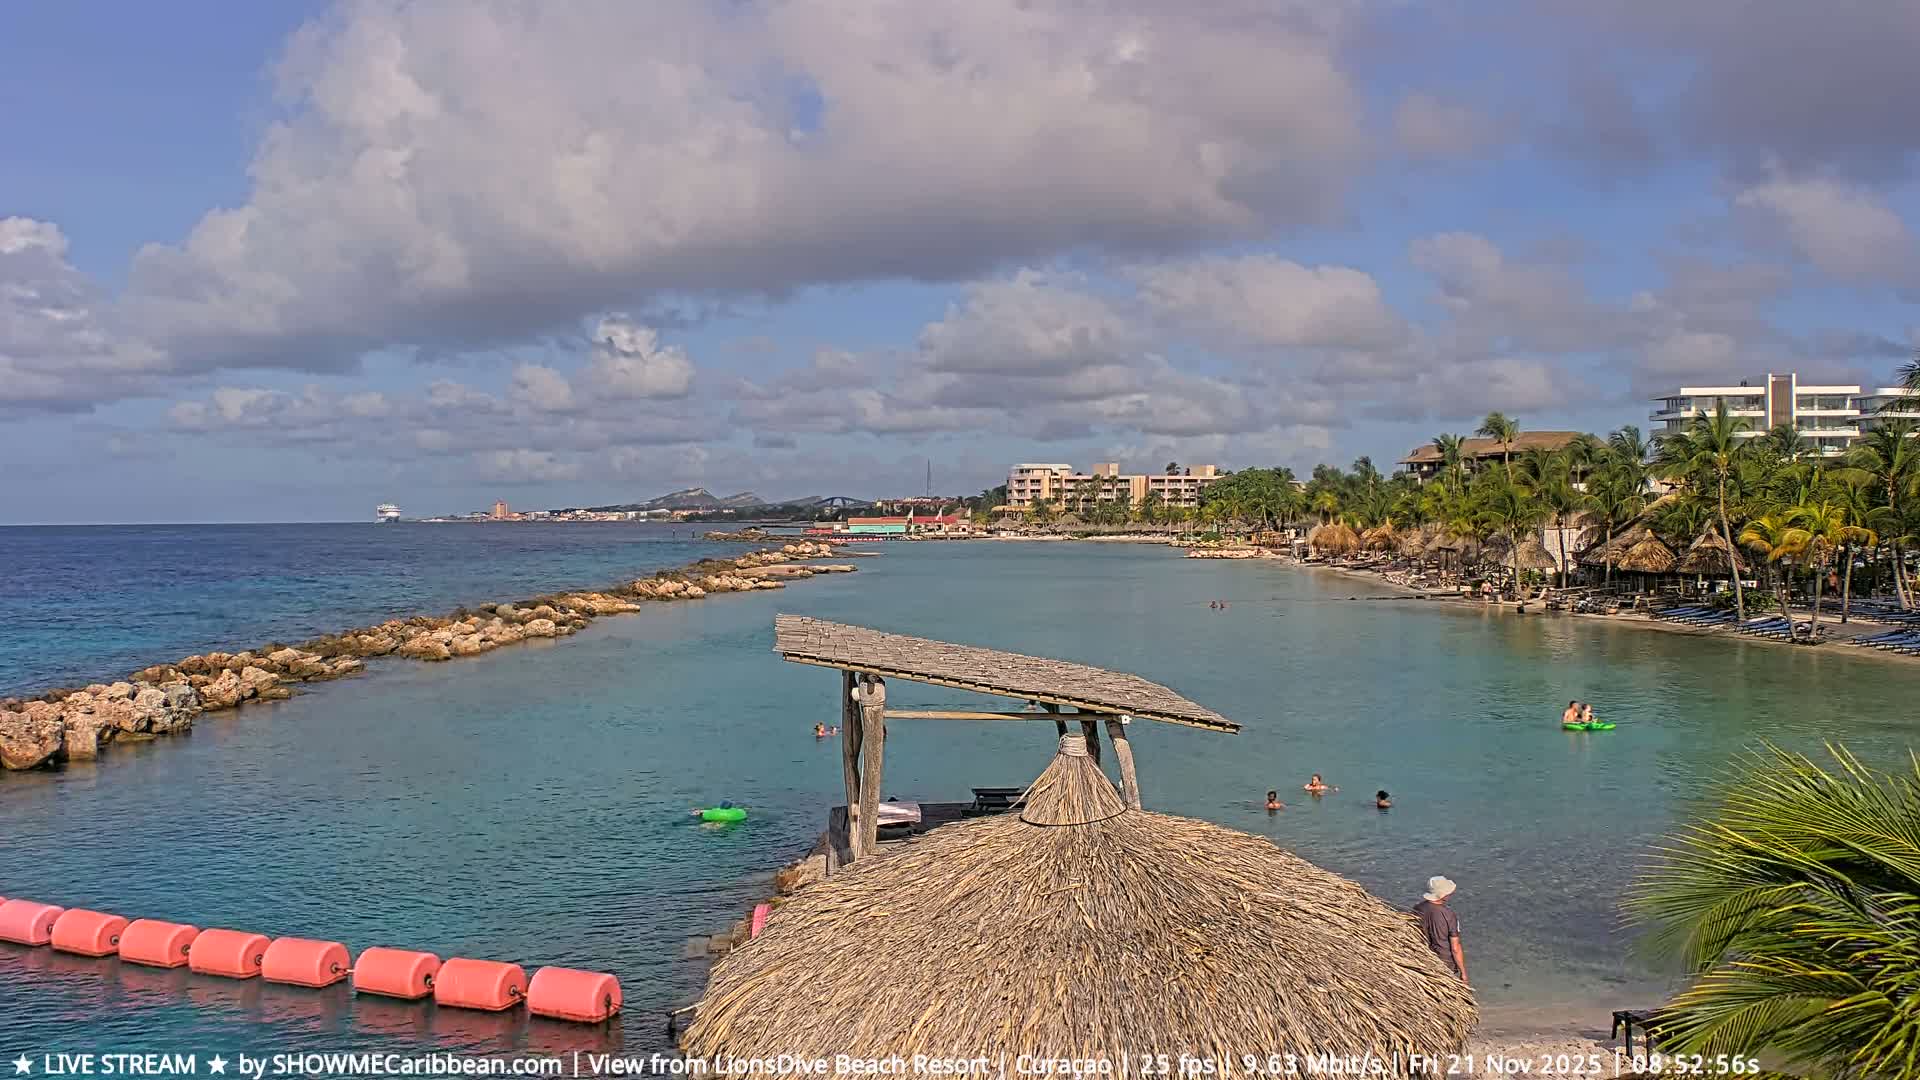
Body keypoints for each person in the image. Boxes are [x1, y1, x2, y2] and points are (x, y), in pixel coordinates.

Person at [1411, 876, 1467, 985]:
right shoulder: (1449, 915)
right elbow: (1455, 948)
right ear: (1443, 895)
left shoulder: (1417, 908)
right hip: (1445, 962)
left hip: (1426, 957)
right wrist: (1463, 973)